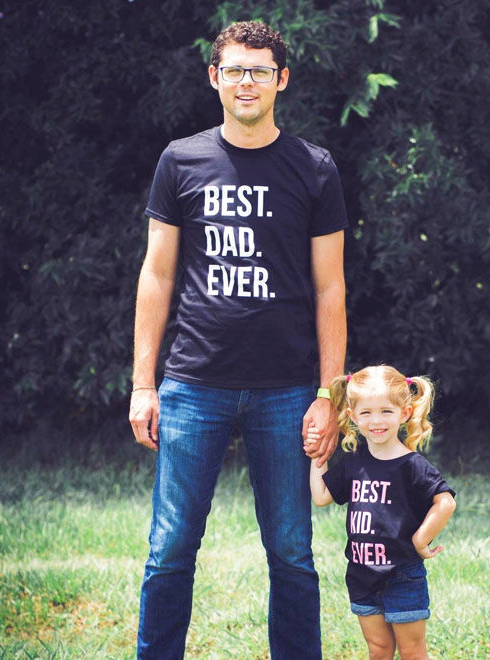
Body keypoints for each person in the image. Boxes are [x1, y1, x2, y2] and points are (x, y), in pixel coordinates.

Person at [128, 20, 348, 660]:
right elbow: (157, 274)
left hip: (286, 388)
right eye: (233, 70)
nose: (245, 81)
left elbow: (331, 288)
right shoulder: (181, 160)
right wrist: (145, 384)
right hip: (194, 383)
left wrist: (329, 395)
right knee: (170, 547)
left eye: (258, 71)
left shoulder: (314, 168)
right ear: (213, 78)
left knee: (291, 552)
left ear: (281, 80)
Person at [307, 365, 456, 660]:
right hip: (361, 575)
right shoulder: (353, 464)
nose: (376, 421)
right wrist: (316, 457)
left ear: (404, 413)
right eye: (366, 413)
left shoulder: (412, 466)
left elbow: (445, 502)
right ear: (352, 416)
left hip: (402, 575)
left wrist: (420, 539)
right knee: (379, 649)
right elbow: (322, 496)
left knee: (412, 652)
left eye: (386, 411)